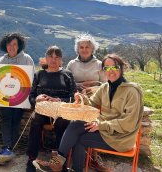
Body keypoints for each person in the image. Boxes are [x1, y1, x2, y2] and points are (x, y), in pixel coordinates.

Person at [33, 54, 144, 172]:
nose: (110, 71)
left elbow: (129, 123)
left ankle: (56, 165)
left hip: (120, 139)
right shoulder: (105, 87)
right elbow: (90, 103)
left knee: (77, 131)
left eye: (114, 67)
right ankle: (63, 167)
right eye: (106, 68)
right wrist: (81, 98)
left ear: (121, 68)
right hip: (105, 131)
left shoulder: (132, 91)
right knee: (77, 129)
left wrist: (100, 125)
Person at [26, 46, 76, 171]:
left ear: (61, 60)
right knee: (36, 120)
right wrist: (37, 99)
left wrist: (59, 100)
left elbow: (73, 98)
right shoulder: (39, 74)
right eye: (50, 56)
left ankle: (59, 163)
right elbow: (31, 96)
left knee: (62, 122)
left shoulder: (67, 75)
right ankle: (31, 159)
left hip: (61, 112)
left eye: (57, 57)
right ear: (46, 58)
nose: (53, 60)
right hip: (43, 111)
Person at [66, 33, 108, 171]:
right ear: (77, 49)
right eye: (81, 47)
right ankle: (74, 158)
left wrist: (93, 85)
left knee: (89, 127)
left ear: (92, 49)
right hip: (77, 101)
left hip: (95, 102)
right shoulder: (71, 64)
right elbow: (67, 83)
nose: (84, 49)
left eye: (87, 47)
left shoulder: (99, 64)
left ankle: (92, 158)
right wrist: (78, 86)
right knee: (74, 124)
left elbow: (105, 84)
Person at [0, 32, 35, 164]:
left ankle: (9, 147)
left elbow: (31, 79)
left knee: (16, 118)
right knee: (7, 117)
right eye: (9, 44)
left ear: (19, 46)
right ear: (5, 45)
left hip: (21, 96)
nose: (11, 47)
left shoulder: (27, 59)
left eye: (14, 44)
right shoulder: (1, 60)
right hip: (5, 96)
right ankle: (8, 147)